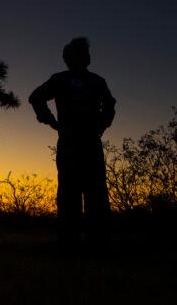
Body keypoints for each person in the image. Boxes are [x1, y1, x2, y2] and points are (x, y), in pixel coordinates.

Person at [28, 37, 116, 249]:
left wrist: (102, 125)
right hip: (70, 141)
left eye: (85, 53)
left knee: (95, 191)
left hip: (90, 141)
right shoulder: (61, 80)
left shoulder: (97, 81)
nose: (85, 57)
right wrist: (52, 122)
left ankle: (97, 242)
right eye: (79, 53)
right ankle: (70, 242)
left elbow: (110, 104)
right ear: (69, 58)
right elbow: (36, 97)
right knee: (69, 191)